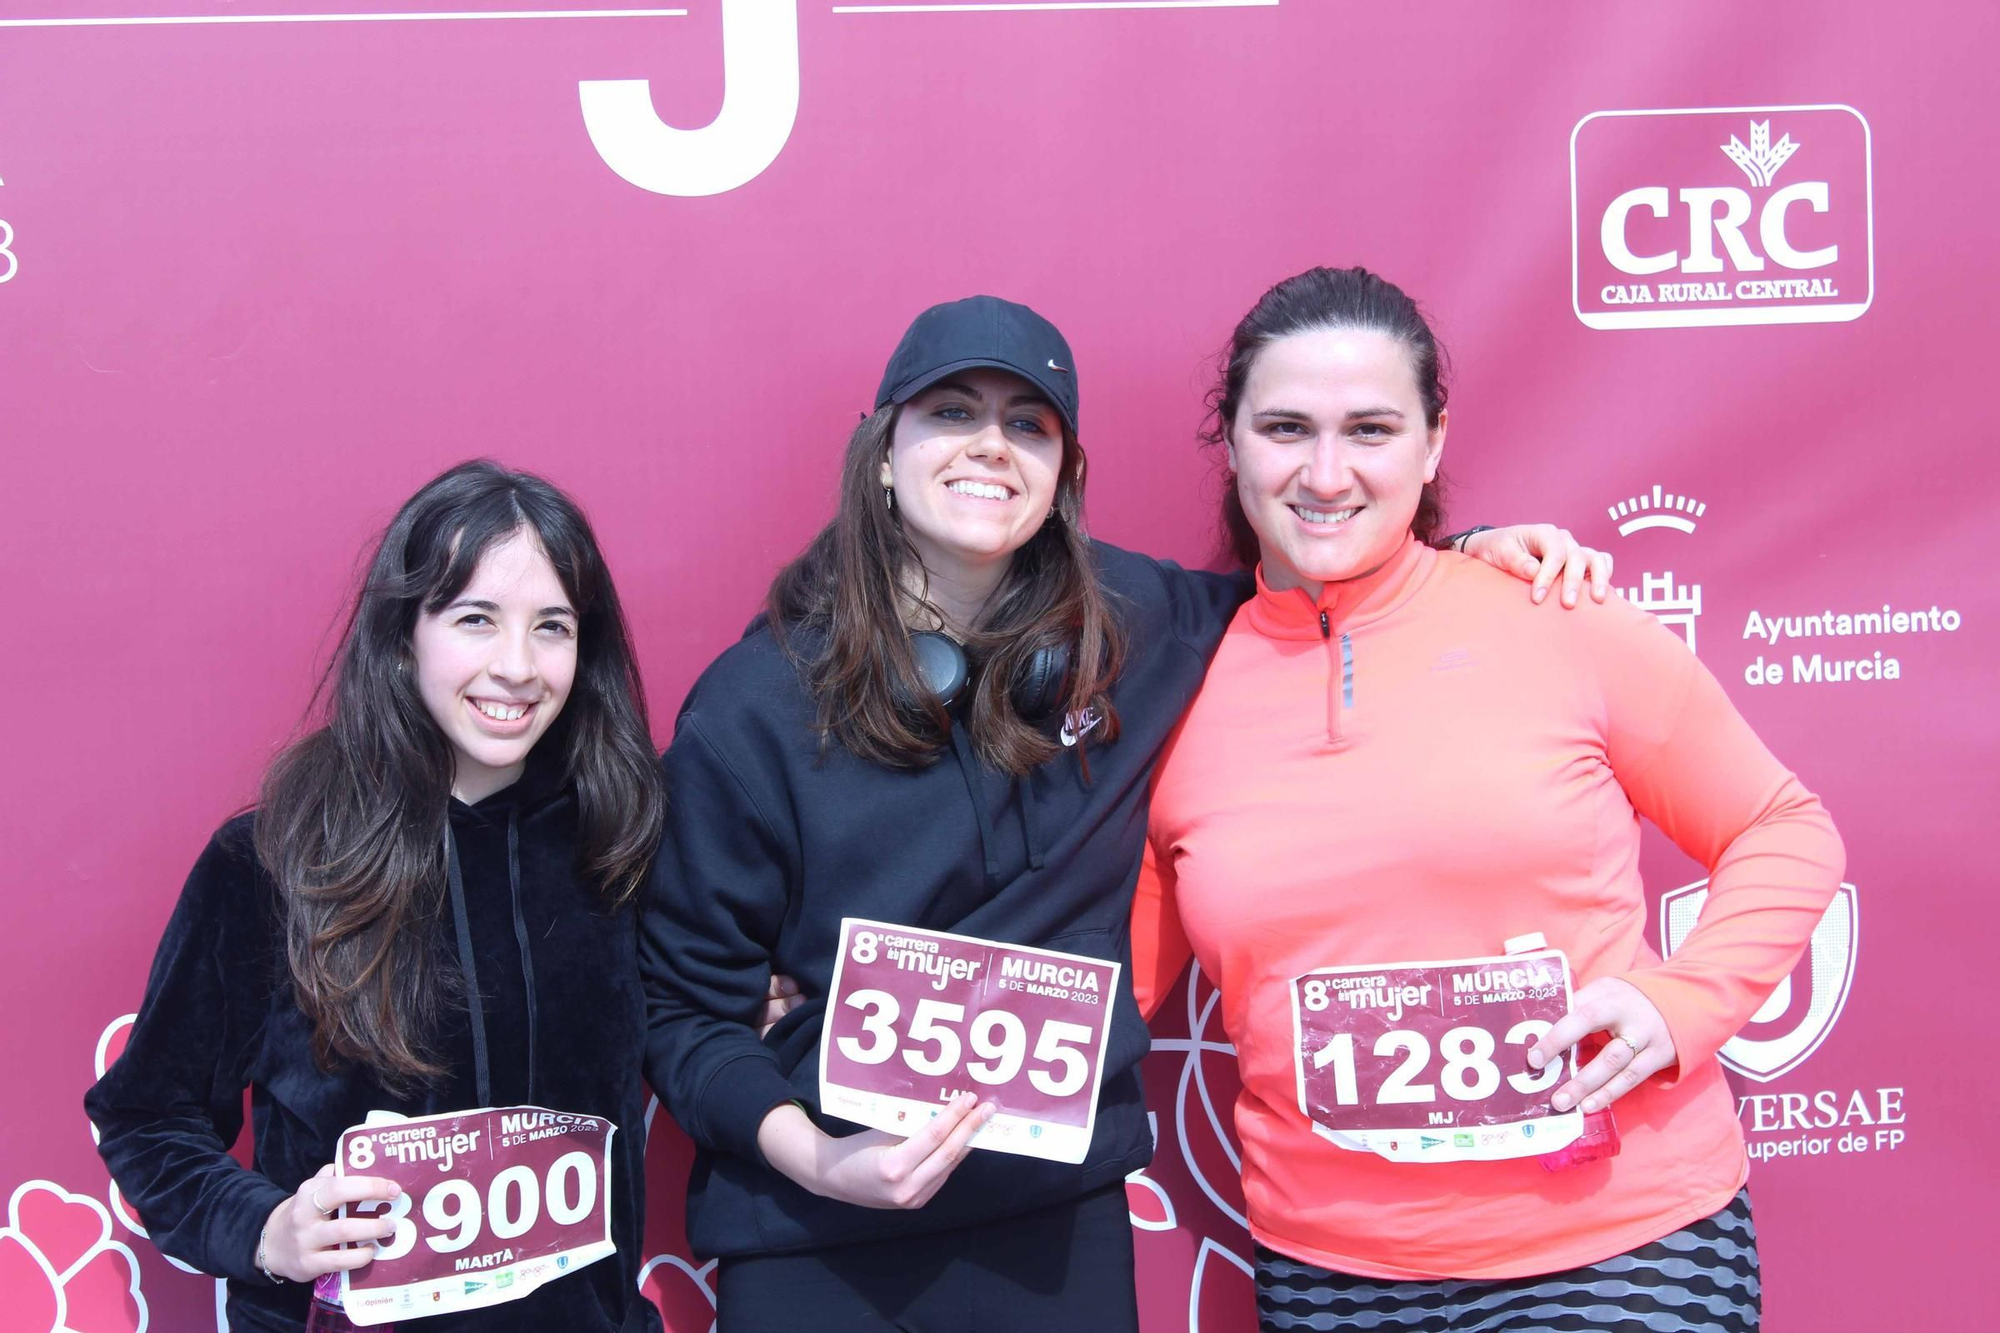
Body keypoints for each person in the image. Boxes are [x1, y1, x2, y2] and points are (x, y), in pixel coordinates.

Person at [639, 295, 1611, 1332]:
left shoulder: (1139, 629)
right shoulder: (755, 704)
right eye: (951, 413)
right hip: (814, 1233)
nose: (989, 448)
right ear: (881, 451)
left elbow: (1319, 575)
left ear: (1064, 474)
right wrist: (823, 1158)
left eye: (1027, 424)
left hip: (1055, 1229)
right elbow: (683, 1013)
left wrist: (1465, 549)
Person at [1130, 267, 1846, 1332]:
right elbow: (1115, 980)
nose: (1325, 472)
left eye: (1369, 429)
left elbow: (1781, 828)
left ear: (1431, 446)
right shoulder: (1173, 688)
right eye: (1285, 427)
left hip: (1621, 1243)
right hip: (1329, 1269)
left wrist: (1678, 1003)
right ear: (1229, 445)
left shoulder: (1557, 617)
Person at [86, 461, 673, 1333]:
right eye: (476, 619)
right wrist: (265, 1228)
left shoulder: (623, 845)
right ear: (405, 635)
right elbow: (146, 1116)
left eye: (551, 627)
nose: (516, 667)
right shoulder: (272, 859)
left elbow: (696, 1018)